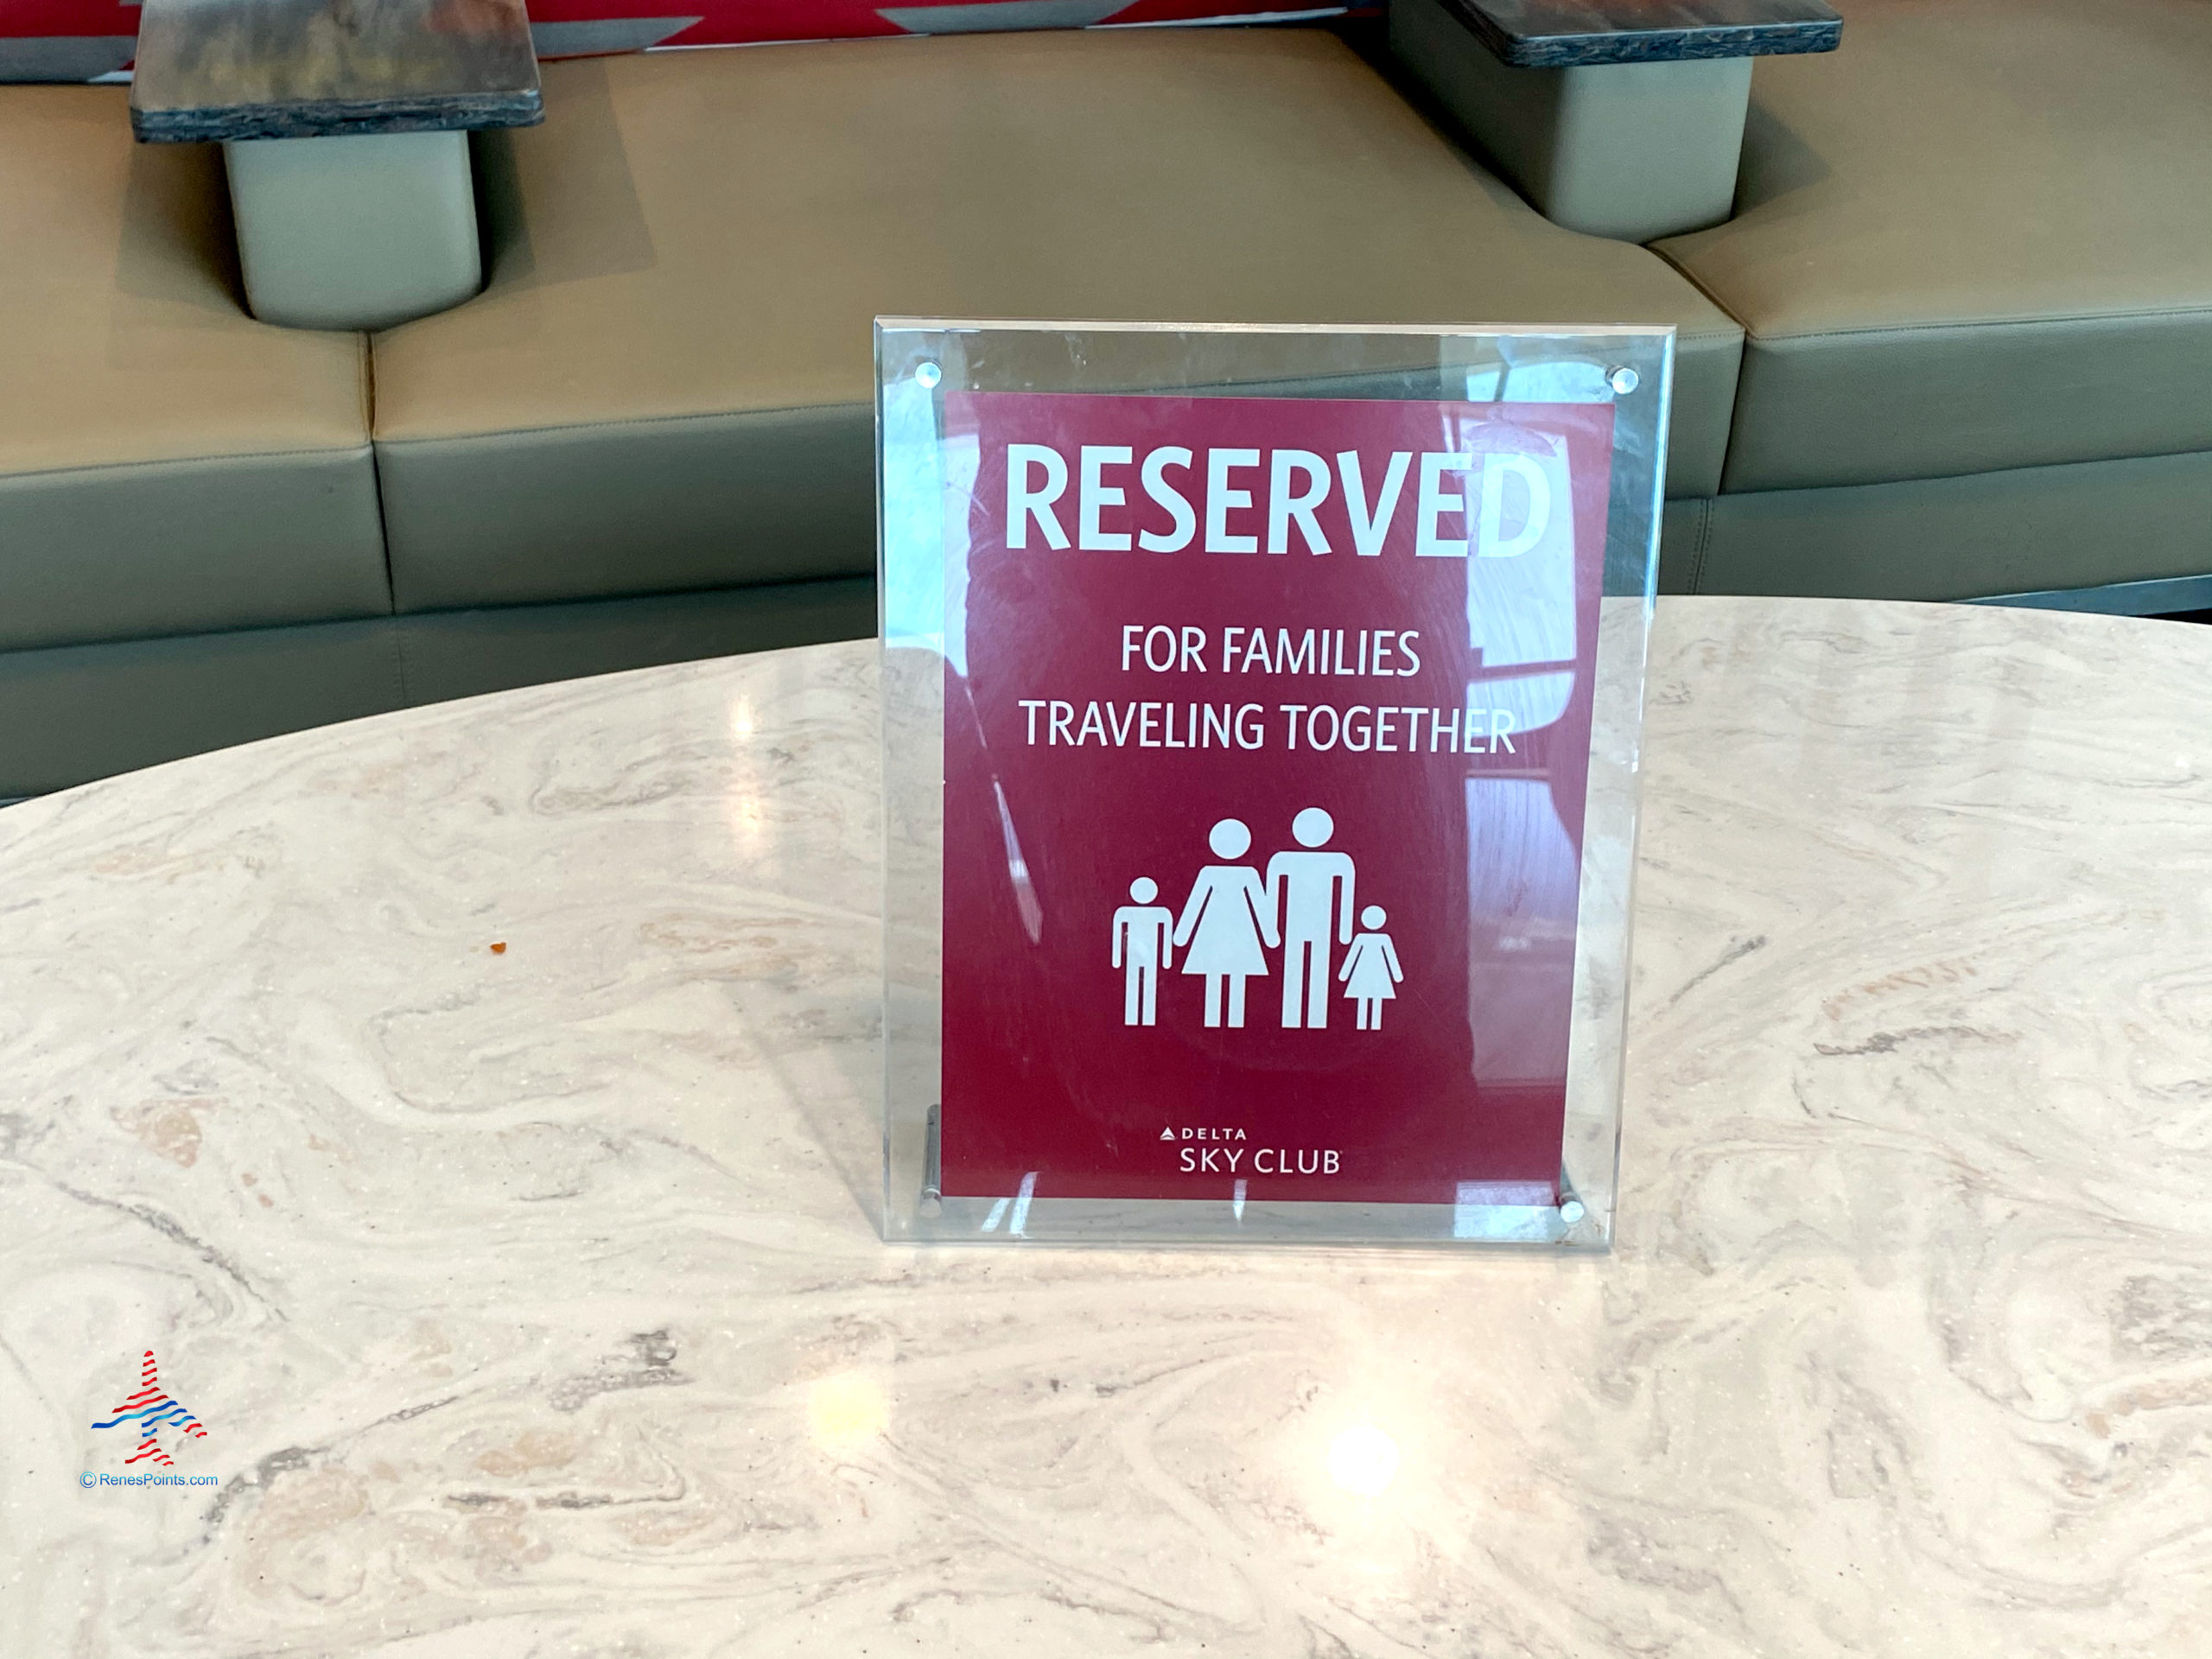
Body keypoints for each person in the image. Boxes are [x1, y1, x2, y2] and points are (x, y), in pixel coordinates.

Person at [1173, 818, 1279, 1028]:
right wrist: (1182, 935)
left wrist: (1270, 935)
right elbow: (1196, 902)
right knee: (1218, 975)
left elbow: (1259, 904)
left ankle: (1231, 1028)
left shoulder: (1248, 874)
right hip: (1218, 932)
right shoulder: (1210, 873)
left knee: (1234, 975)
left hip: (1236, 932)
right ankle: (1216, 1025)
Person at [1266, 806, 1357, 1030]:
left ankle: (1314, 1020)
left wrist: (1345, 931)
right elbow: (1273, 892)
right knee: (1294, 967)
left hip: (1322, 926)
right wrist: (1271, 929)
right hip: (1294, 924)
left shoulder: (1340, 862)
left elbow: (1345, 896)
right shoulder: (1283, 860)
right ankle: (1291, 1018)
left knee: (1318, 968)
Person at [1111, 877, 1173, 1027]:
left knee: (1149, 985)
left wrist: (1166, 960)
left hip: (1150, 956)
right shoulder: (1124, 912)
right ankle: (1133, 1017)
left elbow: (1166, 936)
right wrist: (1117, 959)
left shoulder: (1161, 913)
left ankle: (1147, 1018)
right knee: (1133, 983)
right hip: (1134, 956)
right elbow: (1117, 935)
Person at [1338, 905, 1403, 1031]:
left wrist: (1344, 975)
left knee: (1372, 997)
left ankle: (1371, 1025)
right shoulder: (1362, 938)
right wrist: (1397, 977)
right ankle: (1363, 1025)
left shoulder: (1382, 939)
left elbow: (1390, 956)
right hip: (1369, 973)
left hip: (1372, 973)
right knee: (1368, 998)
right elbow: (1353, 956)